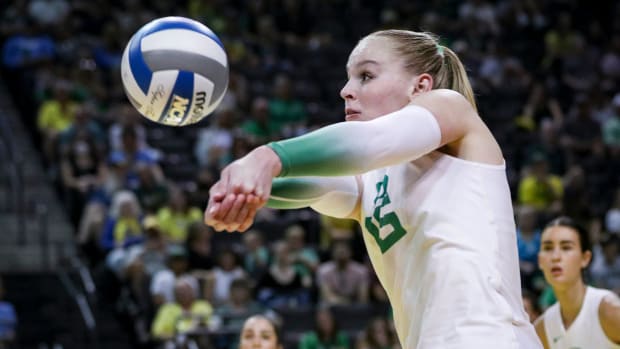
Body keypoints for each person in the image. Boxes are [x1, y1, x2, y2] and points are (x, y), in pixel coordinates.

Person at [205, 29, 541, 348]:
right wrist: (242, 190)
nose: (346, 90)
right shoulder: (373, 178)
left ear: (420, 86)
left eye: (366, 76)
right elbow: (318, 186)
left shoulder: (451, 108)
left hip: (486, 336)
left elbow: (369, 143)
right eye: (349, 78)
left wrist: (267, 157)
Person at [534, 216, 620, 348]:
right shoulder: (542, 329)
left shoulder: (609, 310)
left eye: (566, 247)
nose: (556, 257)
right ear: (540, 261)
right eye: (548, 248)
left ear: (585, 258)